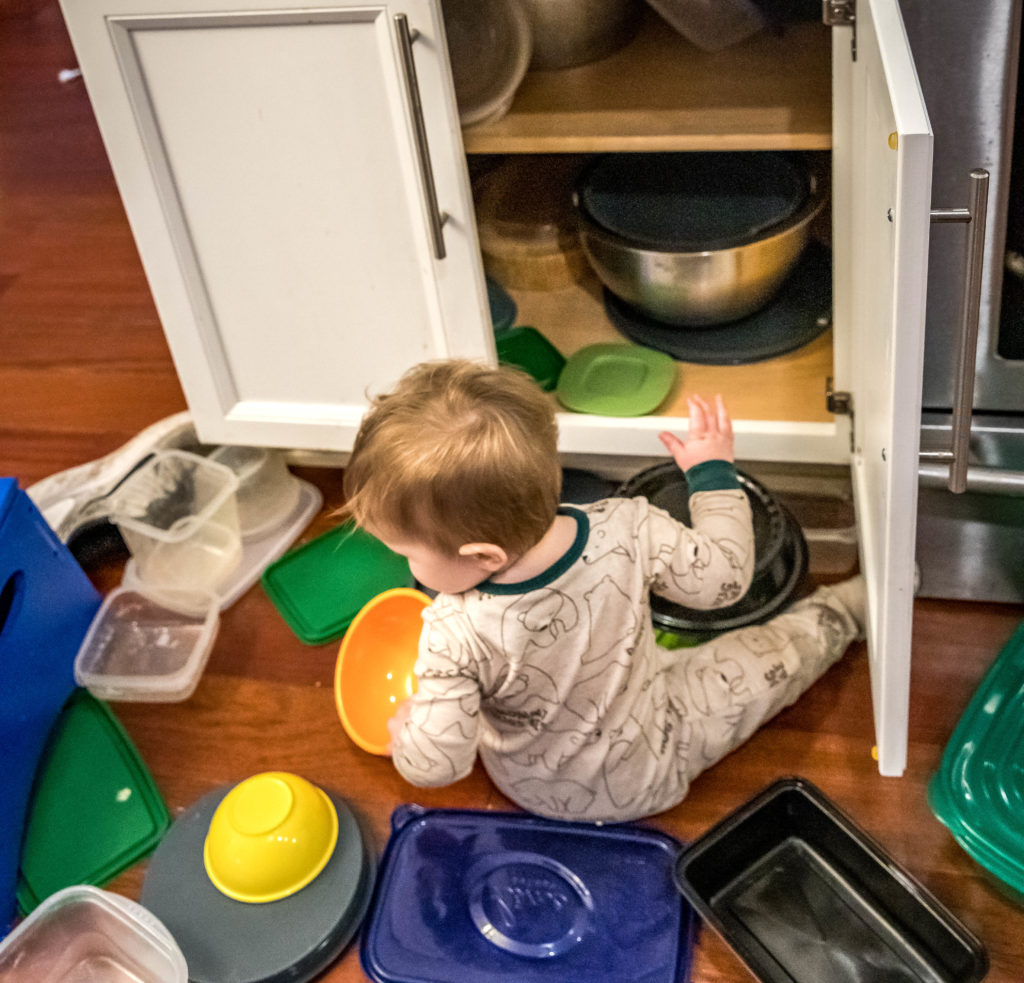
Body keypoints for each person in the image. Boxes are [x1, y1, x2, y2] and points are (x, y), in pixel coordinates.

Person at [341, 359, 865, 824]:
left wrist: (408, 729)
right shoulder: (628, 527)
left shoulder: (450, 636)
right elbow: (726, 581)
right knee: (771, 659)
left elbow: (437, 766)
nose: (404, 563)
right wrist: (711, 475)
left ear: (485, 556)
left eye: (406, 551)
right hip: (653, 762)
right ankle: (845, 611)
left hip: (531, 788)